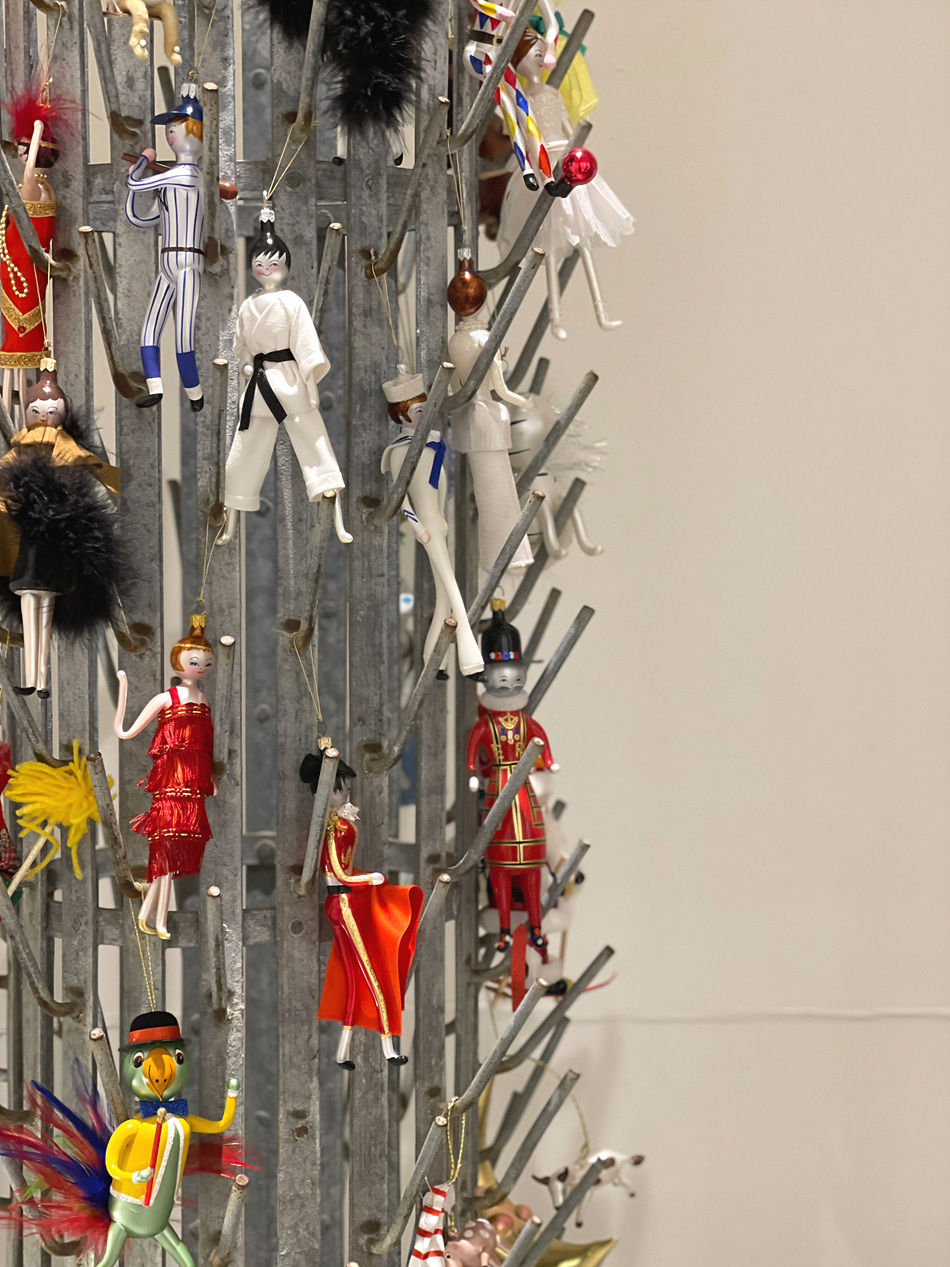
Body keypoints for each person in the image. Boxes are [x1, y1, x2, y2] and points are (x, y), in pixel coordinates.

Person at [218, 209, 351, 545]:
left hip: (289, 380)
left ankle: (334, 507)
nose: (266, 270)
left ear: (285, 266)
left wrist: (310, 380)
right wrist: (246, 365)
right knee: (247, 446)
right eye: (260, 264)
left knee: (313, 439)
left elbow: (305, 341)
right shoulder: (248, 305)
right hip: (260, 383)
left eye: (273, 264)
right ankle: (232, 512)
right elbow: (241, 345)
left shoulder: (291, 301)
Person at [302, 750, 422, 1067]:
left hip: (344, 901)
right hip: (344, 902)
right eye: (339, 790)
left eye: (346, 789)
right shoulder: (333, 827)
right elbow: (337, 873)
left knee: (355, 980)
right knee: (371, 974)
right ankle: (388, 1046)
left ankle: (343, 1052)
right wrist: (370, 878)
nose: (346, 794)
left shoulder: (338, 824)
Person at [114, 616, 216, 939]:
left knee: (172, 852)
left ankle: (148, 914)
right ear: (179, 662)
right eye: (195, 662)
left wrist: (209, 780)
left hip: (193, 787)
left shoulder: (203, 701)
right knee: (166, 850)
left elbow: (206, 746)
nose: (201, 668)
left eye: (206, 663)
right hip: (170, 785)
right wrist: (123, 690)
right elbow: (127, 731)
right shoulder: (167, 699)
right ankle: (157, 920)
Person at [126, 84, 206, 411]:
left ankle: (195, 393)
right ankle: (155, 387)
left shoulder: (186, 175)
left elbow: (134, 182)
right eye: (169, 129)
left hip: (188, 261)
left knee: (183, 332)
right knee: (150, 328)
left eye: (177, 128)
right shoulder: (171, 182)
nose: (171, 134)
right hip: (167, 262)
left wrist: (143, 160)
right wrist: (136, 181)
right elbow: (139, 218)